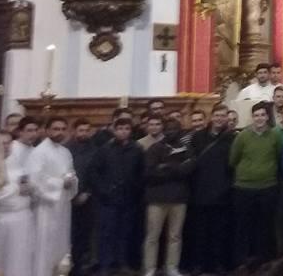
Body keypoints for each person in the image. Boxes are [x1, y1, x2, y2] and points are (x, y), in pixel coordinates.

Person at [230, 102, 283, 269]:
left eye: (262, 115)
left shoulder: (275, 136)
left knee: (265, 226)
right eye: (256, 115)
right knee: (242, 226)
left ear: (267, 117)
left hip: (268, 187)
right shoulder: (242, 136)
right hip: (244, 188)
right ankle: (241, 261)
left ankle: (263, 261)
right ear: (252, 117)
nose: (259, 118)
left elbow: (279, 156)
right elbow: (233, 159)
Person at [88, 117, 143, 274]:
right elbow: (94, 172)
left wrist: (135, 188)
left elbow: (141, 172)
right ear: (114, 130)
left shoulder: (137, 149)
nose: (123, 132)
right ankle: (105, 264)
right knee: (107, 233)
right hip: (108, 199)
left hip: (129, 198)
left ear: (130, 131)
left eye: (126, 129)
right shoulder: (105, 149)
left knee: (125, 233)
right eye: (120, 128)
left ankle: (122, 262)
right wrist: (103, 190)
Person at [142, 117, 195, 276]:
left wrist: (166, 167)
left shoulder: (186, 148)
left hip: (179, 198)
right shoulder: (155, 148)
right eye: (169, 129)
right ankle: (150, 268)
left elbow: (190, 169)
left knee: (175, 236)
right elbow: (149, 173)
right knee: (152, 236)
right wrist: (176, 168)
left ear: (179, 131)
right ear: (164, 131)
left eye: (175, 129)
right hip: (157, 199)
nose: (172, 131)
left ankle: (172, 267)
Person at [186, 104, 234, 275]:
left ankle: (217, 264)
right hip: (201, 191)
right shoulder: (197, 137)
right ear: (211, 117)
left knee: (219, 232)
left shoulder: (231, 138)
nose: (220, 119)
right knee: (200, 232)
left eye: (223, 116)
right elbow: (191, 163)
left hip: (222, 191)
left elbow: (232, 165)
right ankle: (199, 263)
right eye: (217, 115)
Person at [28, 117, 78, 276]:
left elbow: (71, 174)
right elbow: (35, 180)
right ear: (47, 130)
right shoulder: (39, 152)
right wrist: (60, 183)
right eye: (56, 129)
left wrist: (71, 181)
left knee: (61, 243)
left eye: (63, 129)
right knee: (45, 244)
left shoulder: (65, 152)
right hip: (45, 207)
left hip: (63, 206)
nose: (60, 132)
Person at [0, 131, 34, 276]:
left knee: (20, 257)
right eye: (2, 143)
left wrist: (29, 187)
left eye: (9, 143)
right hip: (2, 219)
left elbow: (29, 185)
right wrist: (15, 189)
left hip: (23, 218)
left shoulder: (17, 162)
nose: (7, 146)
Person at [67, 118, 97, 276]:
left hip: (87, 200)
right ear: (74, 131)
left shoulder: (95, 150)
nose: (84, 133)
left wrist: (87, 192)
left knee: (83, 235)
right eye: (81, 130)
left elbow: (97, 174)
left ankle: (79, 266)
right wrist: (72, 194)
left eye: (87, 130)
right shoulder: (66, 149)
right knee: (67, 234)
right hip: (67, 200)